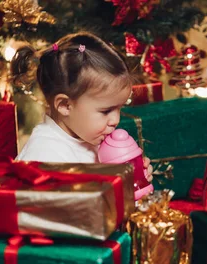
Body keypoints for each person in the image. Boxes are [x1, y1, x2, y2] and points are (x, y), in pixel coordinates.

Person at [11, 32, 153, 181]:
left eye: (120, 108)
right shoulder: (44, 158)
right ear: (65, 105)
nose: (115, 120)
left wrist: (133, 179)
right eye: (106, 111)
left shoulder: (89, 136)